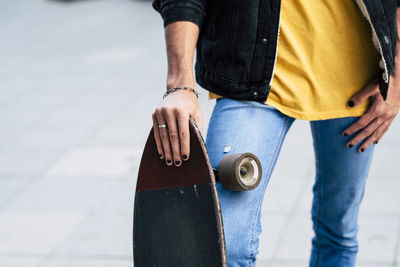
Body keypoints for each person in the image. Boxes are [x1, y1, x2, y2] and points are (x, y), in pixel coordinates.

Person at [150, 1, 400, 266]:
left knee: (339, 230)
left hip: (356, 78)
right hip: (250, 68)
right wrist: (180, 84)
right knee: (225, 243)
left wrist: (397, 75)